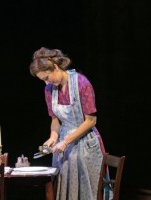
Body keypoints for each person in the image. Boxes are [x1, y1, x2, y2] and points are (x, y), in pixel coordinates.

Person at [29, 47, 106, 200]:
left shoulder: (82, 83)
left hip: (85, 144)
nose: (46, 82)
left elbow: (91, 121)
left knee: (86, 190)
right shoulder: (49, 90)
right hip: (63, 144)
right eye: (43, 80)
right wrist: (53, 137)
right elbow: (55, 120)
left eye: (47, 77)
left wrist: (65, 141)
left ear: (56, 67)